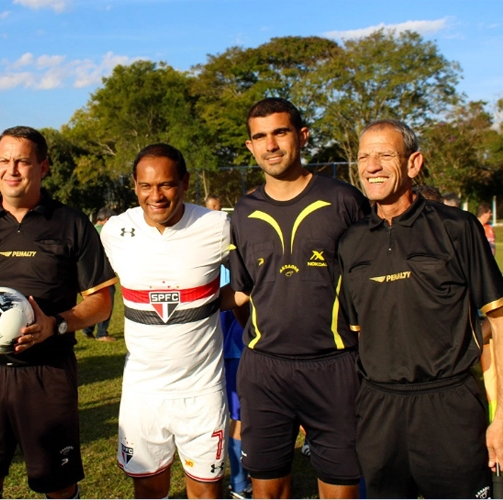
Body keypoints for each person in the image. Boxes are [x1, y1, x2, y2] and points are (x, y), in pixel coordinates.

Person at [0, 126, 116, 500]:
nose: (12, 169)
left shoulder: (72, 223)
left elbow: (102, 300)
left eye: (22, 161)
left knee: (58, 483)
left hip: (47, 374)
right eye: (4, 160)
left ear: (44, 167)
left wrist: (57, 324)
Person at [338, 119, 503, 498]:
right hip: (379, 410)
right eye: (364, 157)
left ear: (413, 164)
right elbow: (357, 337)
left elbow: (499, 319)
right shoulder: (351, 242)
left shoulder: (457, 228)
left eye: (384, 155)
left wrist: (502, 418)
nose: (371, 166)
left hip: (450, 406)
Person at [226, 98, 370, 498]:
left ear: (302, 136)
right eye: (260, 136)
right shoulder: (243, 210)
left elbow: (368, 285)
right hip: (265, 371)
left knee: (340, 490)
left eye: (280, 132)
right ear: (250, 146)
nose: (270, 145)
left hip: (335, 366)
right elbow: (241, 292)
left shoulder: (344, 200)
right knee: (268, 489)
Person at [101, 143, 230, 499]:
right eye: (145, 186)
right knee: (149, 493)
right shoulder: (115, 231)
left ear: (185, 182)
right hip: (143, 394)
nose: (155, 196)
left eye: (166, 185)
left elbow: (248, 282)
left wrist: (211, 300)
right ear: (135, 185)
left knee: (206, 494)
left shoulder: (217, 226)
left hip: (202, 391)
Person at [205, 194, 251, 498]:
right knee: (239, 417)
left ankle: (240, 480)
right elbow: (237, 298)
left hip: (226, 345)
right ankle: (238, 481)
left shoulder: (224, 251)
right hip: (237, 344)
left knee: (238, 416)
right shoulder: (233, 256)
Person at [83, 207, 117, 342]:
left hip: (88, 274)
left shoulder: (89, 229)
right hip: (103, 274)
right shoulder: (107, 232)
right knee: (107, 302)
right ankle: (102, 333)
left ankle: (87, 329)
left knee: (93, 301)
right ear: (107, 220)